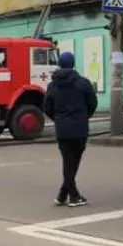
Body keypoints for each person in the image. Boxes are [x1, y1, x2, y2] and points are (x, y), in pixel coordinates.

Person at [43, 51, 97, 207]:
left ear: (60, 64)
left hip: (62, 129)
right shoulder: (82, 83)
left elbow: (47, 107)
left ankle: (62, 195)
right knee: (73, 162)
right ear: (73, 64)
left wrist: (58, 118)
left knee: (68, 161)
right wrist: (84, 116)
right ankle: (73, 196)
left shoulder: (53, 85)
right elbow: (92, 102)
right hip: (79, 128)